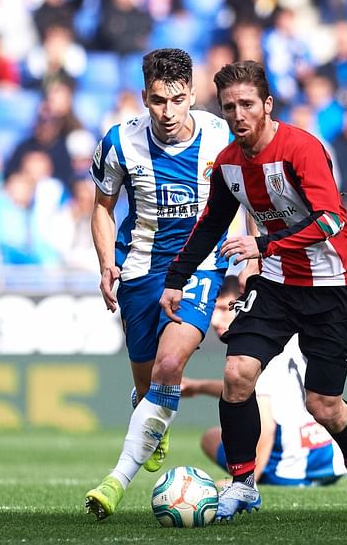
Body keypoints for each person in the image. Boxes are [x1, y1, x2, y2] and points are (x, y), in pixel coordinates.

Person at [159, 60, 347, 522]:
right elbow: (209, 227)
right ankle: (243, 483)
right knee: (238, 373)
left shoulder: (301, 148)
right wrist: (175, 278)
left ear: (267, 105)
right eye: (228, 107)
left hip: (333, 286)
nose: (238, 115)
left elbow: (331, 220)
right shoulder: (228, 164)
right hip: (277, 284)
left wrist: (262, 243)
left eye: (246, 104)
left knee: (324, 406)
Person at [83, 48, 232, 521]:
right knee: (149, 382)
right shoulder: (119, 144)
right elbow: (103, 208)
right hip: (140, 269)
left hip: (200, 266)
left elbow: (242, 197)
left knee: (171, 362)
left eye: (177, 99)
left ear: (192, 94)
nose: (167, 112)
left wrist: (247, 256)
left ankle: (115, 481)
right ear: (143, 97)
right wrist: (107, 261)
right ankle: (154, 418)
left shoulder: (219, 135)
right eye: (156, 101)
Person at [182, 277, 347, 488]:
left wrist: (248, 480)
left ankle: (254, 479)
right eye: (214, 310)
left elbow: (265, 423)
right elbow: (248, 391)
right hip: (326, 453)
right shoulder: (284, 336)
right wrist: (197, 387)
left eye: (224, 308)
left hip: (296, 458)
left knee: (212, 438)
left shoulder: (256, 348)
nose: (215, 320)